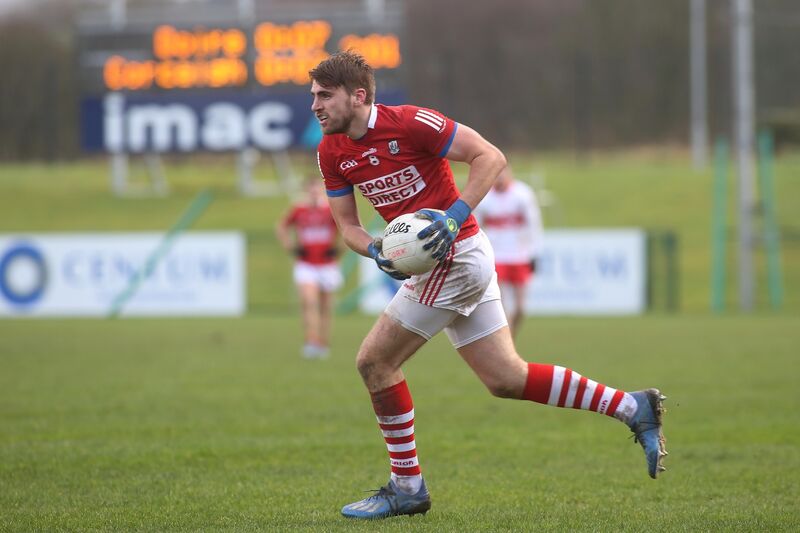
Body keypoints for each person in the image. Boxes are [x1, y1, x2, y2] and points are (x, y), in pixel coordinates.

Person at [310, 51, 667, 520]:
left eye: (324, 96)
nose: (315, 106)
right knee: (506, 379)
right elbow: (347, 226)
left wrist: (454, 218)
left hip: (457, 258)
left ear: (358, 96)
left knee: (375, 362)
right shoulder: (331, 150)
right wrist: (375, 250)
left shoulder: (412, 122)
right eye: (312, 97)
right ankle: (631, 406)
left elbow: (490, 157)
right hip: (447, 264)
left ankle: (407, 487)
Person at [473, 167, 544, 338]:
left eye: (502, 175)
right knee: (503, 306)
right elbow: (476, 226)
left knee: (521, 308)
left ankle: (510, 338)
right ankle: (507, 345)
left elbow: (534, 224)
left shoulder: (523, 194)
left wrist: (535, 251)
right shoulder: (485, 198)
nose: (499, 179)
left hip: (520, 255)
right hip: (497, 257)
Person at [276, 178, 342, 359]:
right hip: (306, 264)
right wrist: (290, 246)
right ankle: (311, 341)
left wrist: (339, 249)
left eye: (317, 191)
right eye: (311, 191)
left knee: (326, 307)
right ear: (306, 192)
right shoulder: (299, 210)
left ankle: (323, 342)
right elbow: (281, 227)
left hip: (328, 265)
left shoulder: (331, 210)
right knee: (309, 302)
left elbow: (346, 229)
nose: (314, 194)